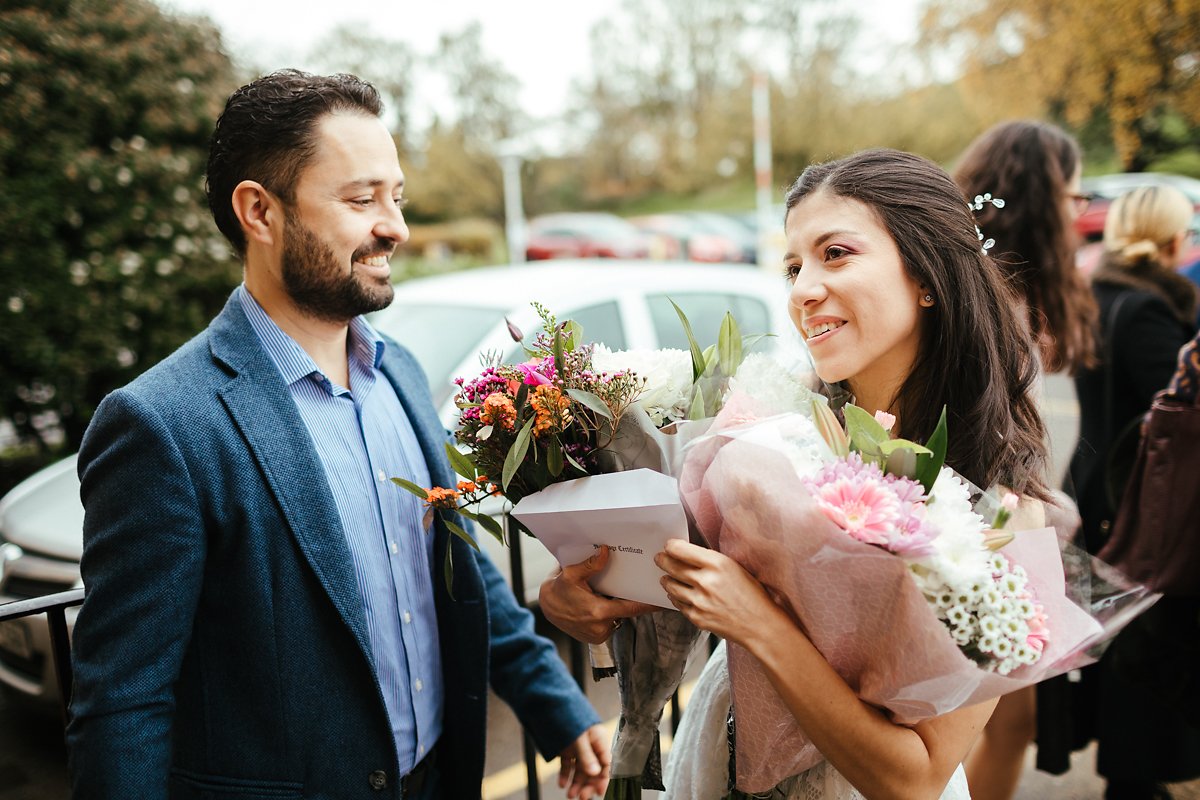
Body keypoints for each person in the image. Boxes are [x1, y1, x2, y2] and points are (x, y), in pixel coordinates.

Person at [66, 70, 609, 800]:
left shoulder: (405, 376)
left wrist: (554, 701)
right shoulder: (161, 424)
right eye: (362, 200)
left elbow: (449, 564)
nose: (396, 226)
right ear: (260, 211)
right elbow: (122, 705)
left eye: (397, 197)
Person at [544, 148, 1053, 799]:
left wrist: (755, 620)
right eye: (793, 266)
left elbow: (918, 778)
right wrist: (584, 598)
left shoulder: (1007, 514)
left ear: (927, 275)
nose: (802, 289)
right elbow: (673, 577)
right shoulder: (768, 432)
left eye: (835, 253)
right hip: (716, 757)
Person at [951, 119, 1098, 800]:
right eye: (1071, 194)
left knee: (999, 719)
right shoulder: (997, 301)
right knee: (1003, 722)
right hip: (989, 534)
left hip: (996, 526)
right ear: (1043, 199)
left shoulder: (985, 286)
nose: (1078, 210)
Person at [1056, 184, 1200, 800]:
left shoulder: (1098, 290)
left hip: (1096, 486)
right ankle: (1132, 776)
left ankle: (1129, 773)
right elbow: (1168, 414)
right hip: (1136, 498)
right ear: (1173, 239)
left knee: (1110, 631)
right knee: (1136, 640)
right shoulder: (1146, 310)